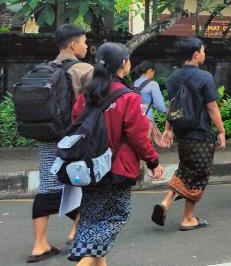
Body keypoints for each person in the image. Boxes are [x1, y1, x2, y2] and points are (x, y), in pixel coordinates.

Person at [68, 43, 163, 265]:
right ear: (123, 63)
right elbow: (138, 136)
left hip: (87, 167)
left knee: (92, 217)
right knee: (114, 216)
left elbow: (74, 122)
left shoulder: (87, 94)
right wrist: (153, 161)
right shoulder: (128, 97)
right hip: (117, 168)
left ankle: (90, 257)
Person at [28, 24, 94, 263]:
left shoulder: (44, 69)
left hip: (47, 136)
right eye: (84, 42)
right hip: (74, 138)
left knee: (49, 185)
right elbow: (95, 106)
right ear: (74, 45)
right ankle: (77, 231)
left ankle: (40, 244)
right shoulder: (85, 69)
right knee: (83, 182)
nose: (86, 46)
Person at [151, 37, 225, 230]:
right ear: (195, 54)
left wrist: (168, 130)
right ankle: (187, 218)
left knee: (185, 169)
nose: (204, 54)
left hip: (182, 136)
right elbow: (212, 107)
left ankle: (166, 201)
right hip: (201, 135)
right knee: (198, 175)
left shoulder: (173, 78)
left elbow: (172, 107)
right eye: (203, 51)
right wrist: (221, 131)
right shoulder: (205, 77)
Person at [132, 61, 167, 147]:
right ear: (150, 71)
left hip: (134, 119)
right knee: (147, 147)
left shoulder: (134, 83)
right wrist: (167, 111)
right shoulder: (153, 84)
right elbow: (160, 106)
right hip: (146, 119)